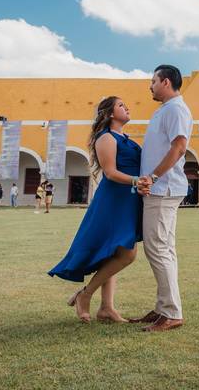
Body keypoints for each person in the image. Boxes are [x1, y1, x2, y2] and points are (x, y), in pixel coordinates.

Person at [48, 96, 142, 324]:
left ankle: (106, 308)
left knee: (113, 253)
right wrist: (137, 181)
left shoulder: (126, 139)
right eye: (121, 105)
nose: (126, 107)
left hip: (128, 199)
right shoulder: (106, 138)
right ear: (109, 113)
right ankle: (85, 295)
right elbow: (110, 172)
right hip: (113, 200)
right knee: (127, 254)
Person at [131, 65, 193, 333]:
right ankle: (163, 308)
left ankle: (171, 313)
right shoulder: (165, 110)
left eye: (153, 81)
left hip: (163, 189)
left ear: (165, 82)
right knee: (164, 249)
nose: (150, 86)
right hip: (160, 188)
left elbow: (179, 148)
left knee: (157, 249)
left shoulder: (177, 109)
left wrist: (153, 177)